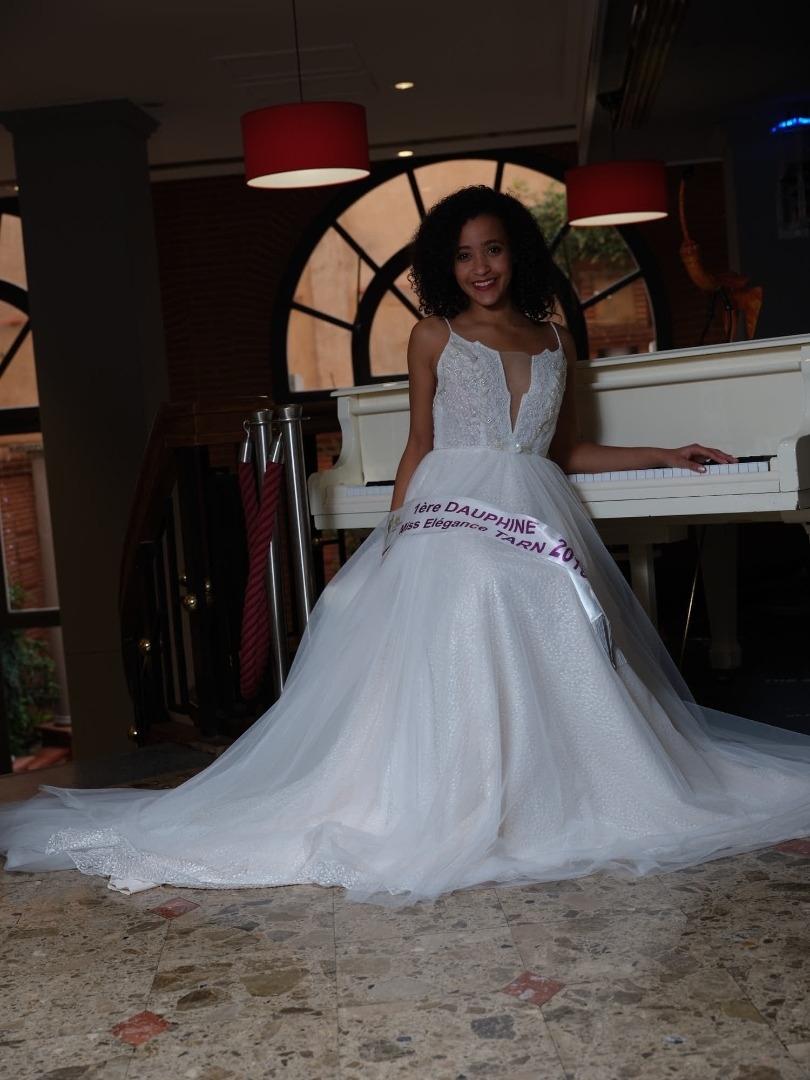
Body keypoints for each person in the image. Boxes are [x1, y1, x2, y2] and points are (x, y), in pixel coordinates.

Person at [1, 185, 809, 907]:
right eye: (463, 255)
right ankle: (458, 789)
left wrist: (663, 454)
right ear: (444, 267)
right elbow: (419, 443)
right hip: (450, 507)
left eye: (493, 249)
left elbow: (564, 450)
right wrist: (395, 535)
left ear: (517, 255)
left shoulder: (555, 339)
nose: (480, 267)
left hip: (533, 503)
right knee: (479, 582)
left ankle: (552, 785)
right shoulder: (433, 335)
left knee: (539, 596)